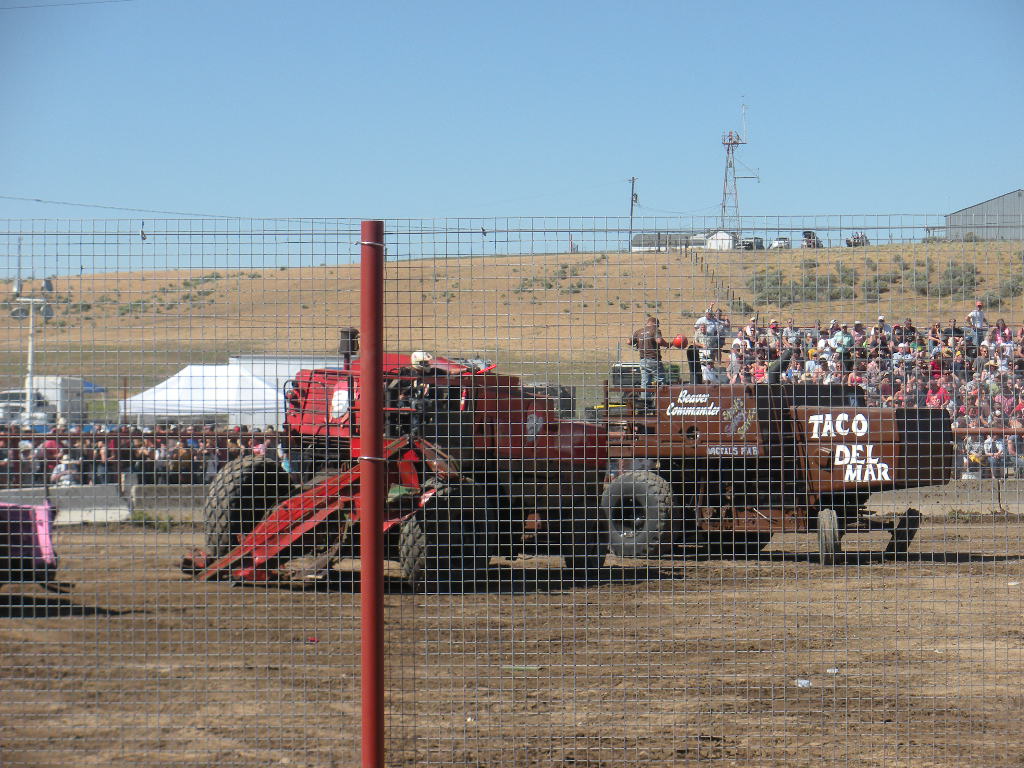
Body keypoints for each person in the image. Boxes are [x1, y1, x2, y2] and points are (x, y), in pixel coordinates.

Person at [631, 315, 670, 389]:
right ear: (655, 323)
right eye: (657, 325)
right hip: (653, 359)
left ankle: (644, 399)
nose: (658, 327)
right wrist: (668, 344)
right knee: (660, 380)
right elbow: (659, 341)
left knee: (645, 382)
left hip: (643, 360)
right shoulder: (655, 330)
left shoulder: (639, 331)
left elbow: (629, 341)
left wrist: (638, 343)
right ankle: (662, 399)